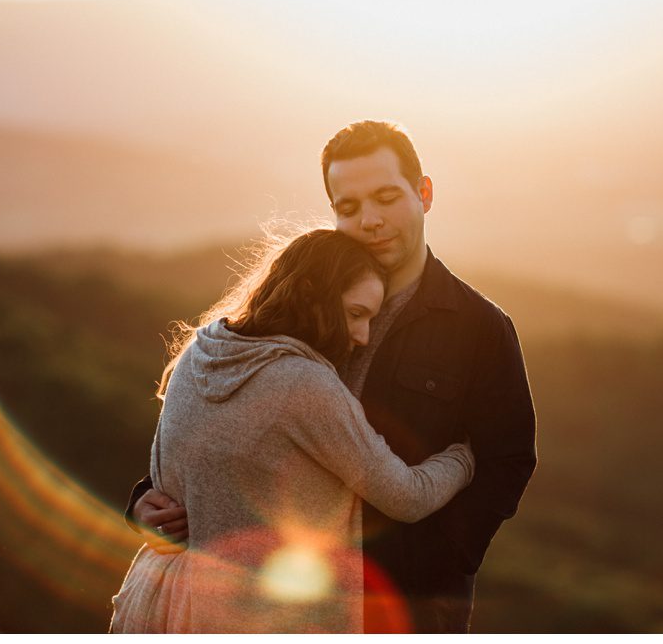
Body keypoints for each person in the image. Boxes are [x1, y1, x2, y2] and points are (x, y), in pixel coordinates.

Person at [127, 120, 537, 632]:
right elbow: (224, 422)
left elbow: (509, 458)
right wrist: (149, 500)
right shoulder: (300, 315)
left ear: (424, 193)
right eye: (349, 207)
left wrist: (440, 557)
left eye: (387, 198)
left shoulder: (480, 327)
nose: (370, 220)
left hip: (408, 601)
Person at [109, 228, 476, 633]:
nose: (362, 336)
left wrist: (140, 503)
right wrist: (466, 456)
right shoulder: (303, 383)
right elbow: (405, 496)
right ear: (309, 293)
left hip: (158, 602)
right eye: (355, 313)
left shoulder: (200, 351)